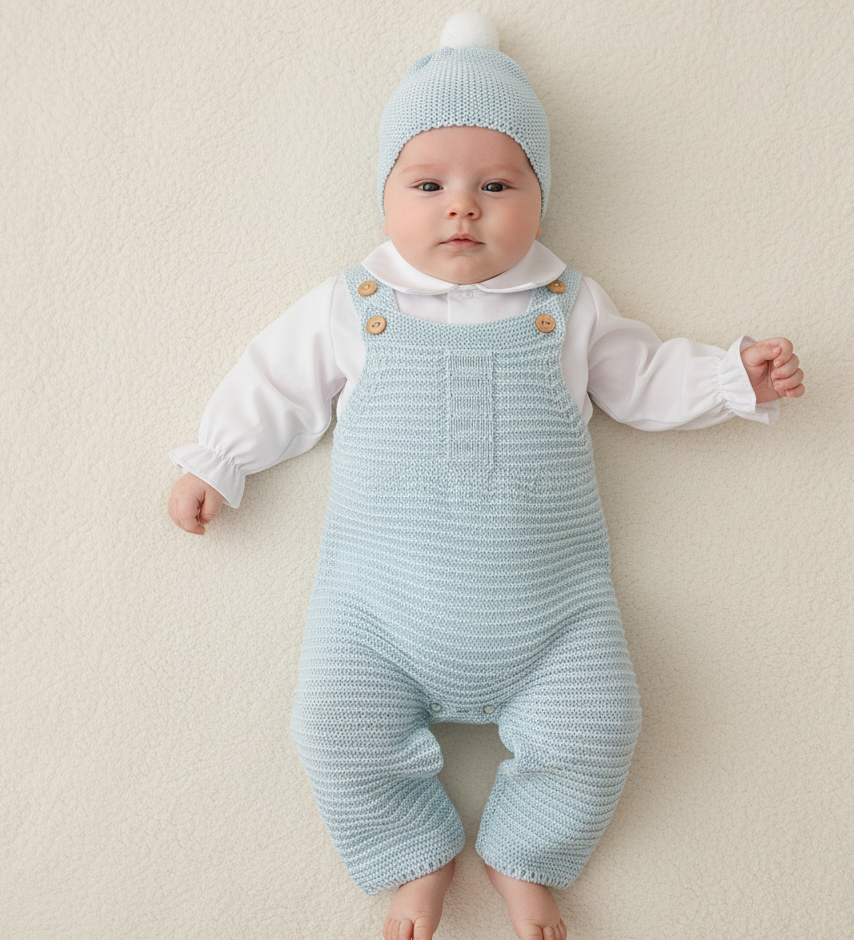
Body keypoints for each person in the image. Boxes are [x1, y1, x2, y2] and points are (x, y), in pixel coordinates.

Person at [167, 13, 804, 940]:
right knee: (332, 726)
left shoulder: (569, 308)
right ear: (384, 197)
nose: (461, 207)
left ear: (540, 199)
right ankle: (412, 861)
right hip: (377, 615)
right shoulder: (355, 307)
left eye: (497, 184)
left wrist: (726, 376)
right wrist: (219, 460)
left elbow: (643, 378)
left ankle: (524, 856)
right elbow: (272, 381)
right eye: (428, 184)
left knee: (601, 724)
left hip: (553, 620)